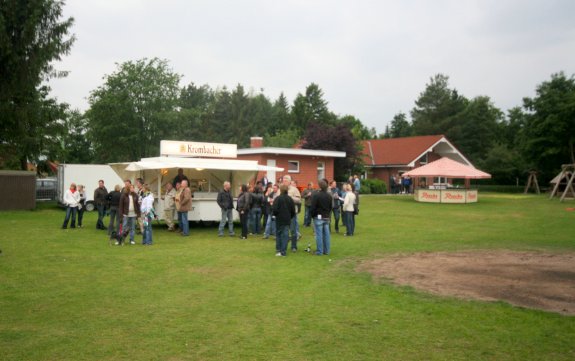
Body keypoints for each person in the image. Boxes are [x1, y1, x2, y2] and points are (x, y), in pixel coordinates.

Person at [272, 184, 295, 257]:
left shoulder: (278, 199)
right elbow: (293, 211)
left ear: (280, 190)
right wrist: (290, 216)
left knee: (279, 234)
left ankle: (279, 250)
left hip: (279, 219)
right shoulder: (290, 199)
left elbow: (274, 209)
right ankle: (283, 251)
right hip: (287, 219)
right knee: (285, 235)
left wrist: (275, 215)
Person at [311, 180, 333, 255]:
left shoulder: (316, 195)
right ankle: (327, 251)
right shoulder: (329, 196)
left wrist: (313, 215)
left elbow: (313, 207)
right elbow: (330, 207)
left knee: (319, 235)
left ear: (319, 186)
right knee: (327, 234)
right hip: (326, 217)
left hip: (318, 217)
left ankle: (319, 251)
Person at [282, 176, 302, 252]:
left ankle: (294, 246)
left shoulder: (294, 189)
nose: (284, 182)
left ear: (290, 181)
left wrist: (290, 198)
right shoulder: (280, 189)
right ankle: (284, 246)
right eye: (283, 180)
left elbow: (299, 200)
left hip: (292, 214)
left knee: (293, 231)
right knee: (284, 231)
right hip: (283, 213)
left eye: (286, 180)